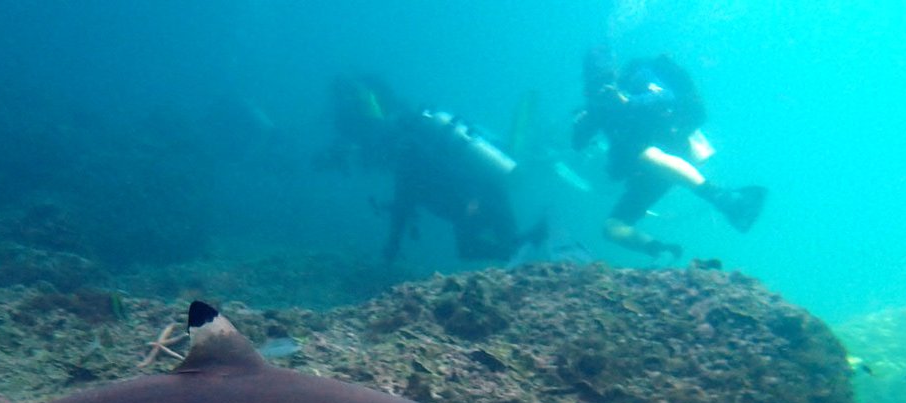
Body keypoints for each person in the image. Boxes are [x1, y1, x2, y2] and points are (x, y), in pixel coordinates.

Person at [322, 75, 543, 263]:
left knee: (479, 249)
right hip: (487, 190)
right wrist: (393, 244)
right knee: (505, 246)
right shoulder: (413, 146)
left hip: (476, 197)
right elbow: (404, 203)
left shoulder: (407, 152)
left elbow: (412, 194)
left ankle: (542, 239)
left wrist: (471, 197)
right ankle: (541, 239)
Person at [572, 48, 766, 260]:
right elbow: (579, 143)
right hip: (644, 174)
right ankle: (661, 251)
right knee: (612, 227)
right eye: (594, 81)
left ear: (615, 73)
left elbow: (666, 96)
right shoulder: (595, 107)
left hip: (671, 147)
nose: (602, 87)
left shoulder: (636, 77)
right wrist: (581, 125)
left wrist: (626, 100)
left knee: (644, 154)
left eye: (605, 78)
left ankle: (728, 199)